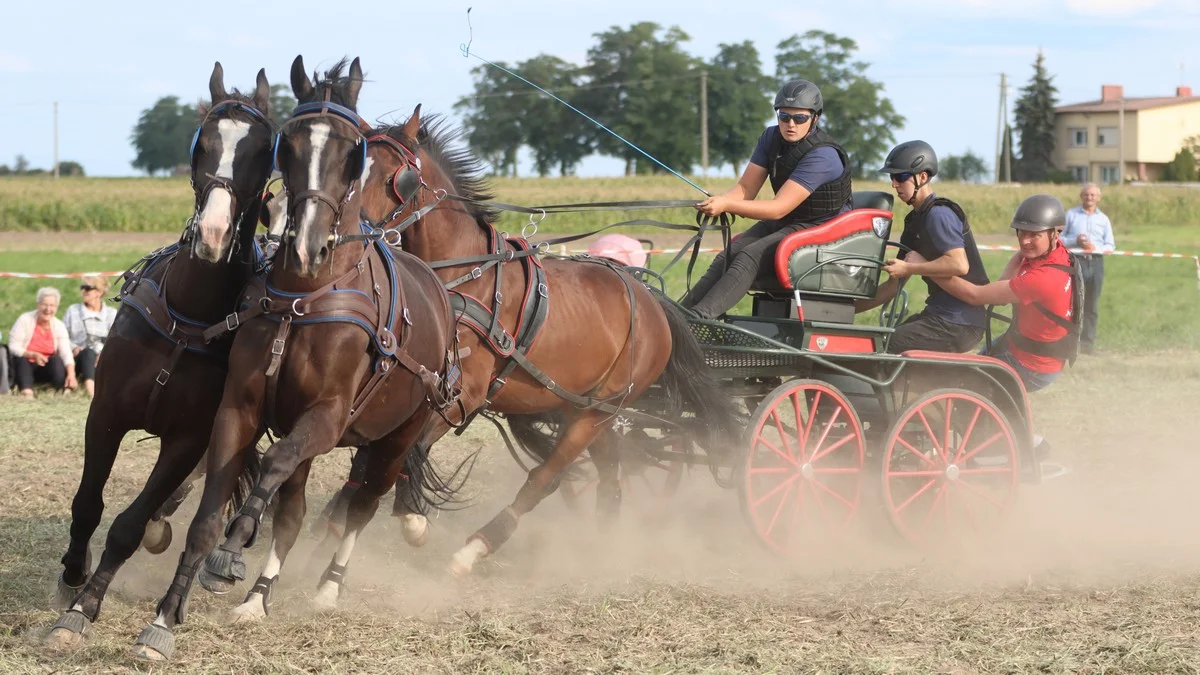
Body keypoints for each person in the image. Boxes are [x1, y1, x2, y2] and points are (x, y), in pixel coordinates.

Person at [680, 78, 853, 319]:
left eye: (799, 118)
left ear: (815, 118)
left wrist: (727, 204)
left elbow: (778, 208)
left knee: (751, 255)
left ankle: (699, 319)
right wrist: (719, 202)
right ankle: (679, 315)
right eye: (784, 117)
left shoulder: (823, 155)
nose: (790, 124)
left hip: (822, 229)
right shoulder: (770, 138)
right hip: (791, 221)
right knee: (729, 253)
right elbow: (746, 188)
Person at [907, 194, 1077, 393]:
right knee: (969, 377)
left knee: (966, 391)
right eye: (1021, 232)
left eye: (1034, 235)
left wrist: (923, 266)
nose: (1025, 241)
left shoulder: (1043, 279)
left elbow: (975, 296)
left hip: (1032, 364)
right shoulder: (1058, 252)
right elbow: (1009, 277)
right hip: (1018, 343)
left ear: (1055, 234)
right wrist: (1024, 253)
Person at [857, 140, 990, 354]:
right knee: (883, 341)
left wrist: (911, 268)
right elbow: (892, 287)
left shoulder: (939, 215)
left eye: (900, 177)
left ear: (923, 177)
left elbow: (958, 264)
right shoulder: (915, 220)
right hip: (940, 316)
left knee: (885, 345)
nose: (894, 184)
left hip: (960, 323)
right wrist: (845, 311)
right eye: (892, 177)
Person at [1060, 183, 1113, 355]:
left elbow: (1110, 245)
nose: (1089, 198)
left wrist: (1094, 247)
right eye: (1086, 194)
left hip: (1096, 264)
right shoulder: (1071, 215)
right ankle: (1069, 344)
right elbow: (1059, 238)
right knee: (1074, 304)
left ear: (1098, 198)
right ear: (1081, 196)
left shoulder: (1103, 219)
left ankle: (1087, 345)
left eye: (1093, 195)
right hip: (1077, 263)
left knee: (1091, 305)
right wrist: (1076, 240)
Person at [8, 287, 78, 398]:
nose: (48, 309)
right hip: (26, 365)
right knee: (21, 360)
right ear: (38, 305)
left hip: (46, 366)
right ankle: (27, 392)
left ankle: (57, 388)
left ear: (56, 307)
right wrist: (31, 354)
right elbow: (13, 346)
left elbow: (66, 354)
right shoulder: (25, 319)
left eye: (52, 306)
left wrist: (71, 374)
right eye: (44, 304)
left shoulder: (59, 325)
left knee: (56, 360)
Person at [62, 275, 118, 397]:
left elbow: (115, 341)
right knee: (88, 353)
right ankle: (91, 392)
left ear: (99, 292)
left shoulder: (111, 314)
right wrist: (73, 348)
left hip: (102, 359)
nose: (84, 291)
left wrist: (103, 354)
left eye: (88, 288)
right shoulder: (73, 310)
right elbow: (62, 336)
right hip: (78, 357)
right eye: (83, 287)